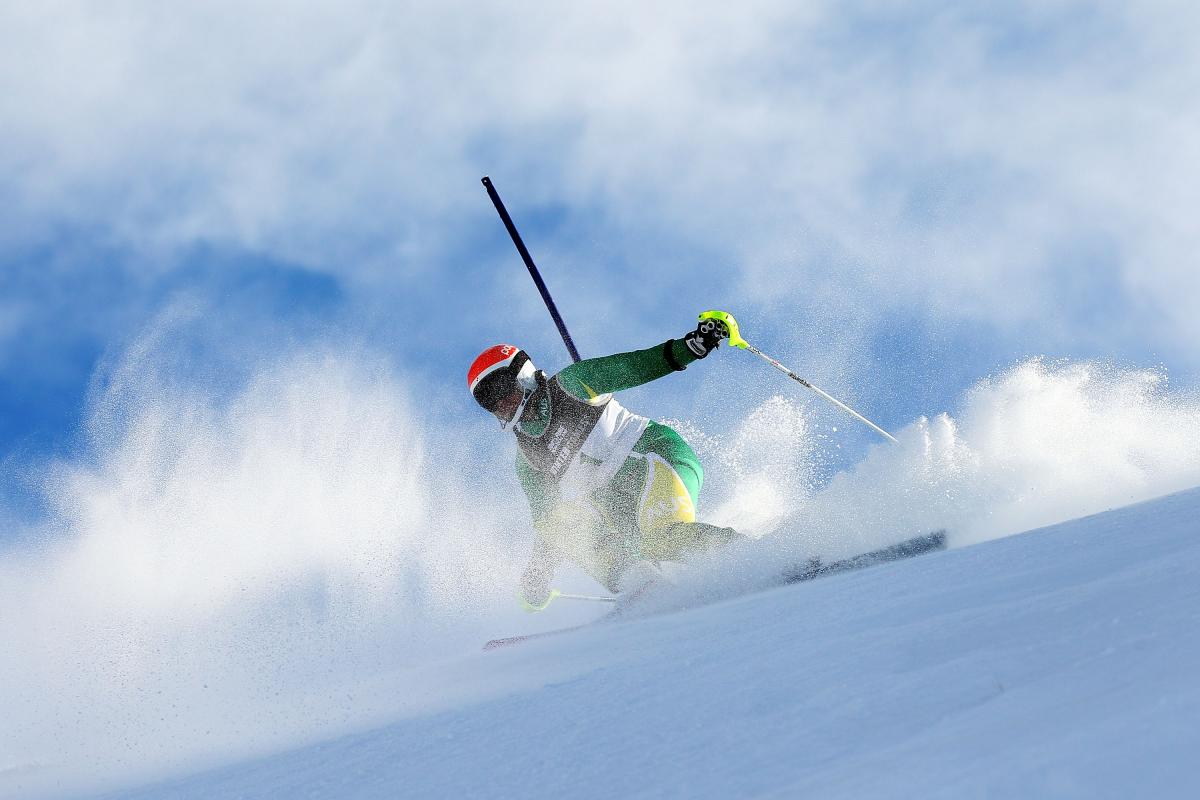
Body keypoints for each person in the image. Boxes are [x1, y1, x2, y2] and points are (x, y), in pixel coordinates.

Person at [467, 312, 743, 610]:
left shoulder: (571, 384)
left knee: (662, 539)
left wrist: (692, 346)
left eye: (502, 391)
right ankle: (641, 585)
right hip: (617, 506)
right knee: (560, 523)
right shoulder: (527, 458)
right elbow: (547, 523)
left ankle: (750, 554)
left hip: (654, 458)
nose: (501, 404)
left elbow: (635, 367)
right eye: (490, 402)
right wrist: (538, 573)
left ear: (522, 375)